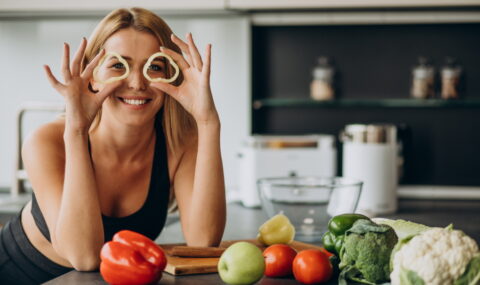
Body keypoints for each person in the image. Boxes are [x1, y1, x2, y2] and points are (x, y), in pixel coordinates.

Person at [0, 7, 226, 284]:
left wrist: (208, 122)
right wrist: (76, 129)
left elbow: (204, 240)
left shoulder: (181, 141)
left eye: (154, 67)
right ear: (91, 75)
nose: (137, 82)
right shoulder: (46, 141)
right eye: (119, 65)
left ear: (171, 77)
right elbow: (83, 257)